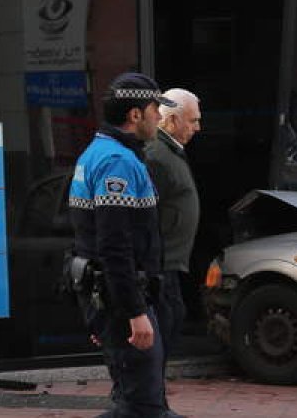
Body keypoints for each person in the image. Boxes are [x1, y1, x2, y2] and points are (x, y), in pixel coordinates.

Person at [67, 73, 178, 418]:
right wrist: (133, 312)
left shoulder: (98, 152)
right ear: (135, 114)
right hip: (122, 299)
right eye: (155, 109)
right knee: (142, 407)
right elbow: (113, 245)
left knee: (138, 400)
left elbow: (88, 237)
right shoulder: (118, 162)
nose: (159, 117)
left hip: (112, 298)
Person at [144, 88, 201, 386]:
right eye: (193, 120)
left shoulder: (170, 152)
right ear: (173, 120)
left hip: (171, 260)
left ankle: (153, 391)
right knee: (166, 321)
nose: (197, 127)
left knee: (173, 317)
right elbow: (146, 214)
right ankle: (149, 392)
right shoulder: (157, 155)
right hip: (161, 261)